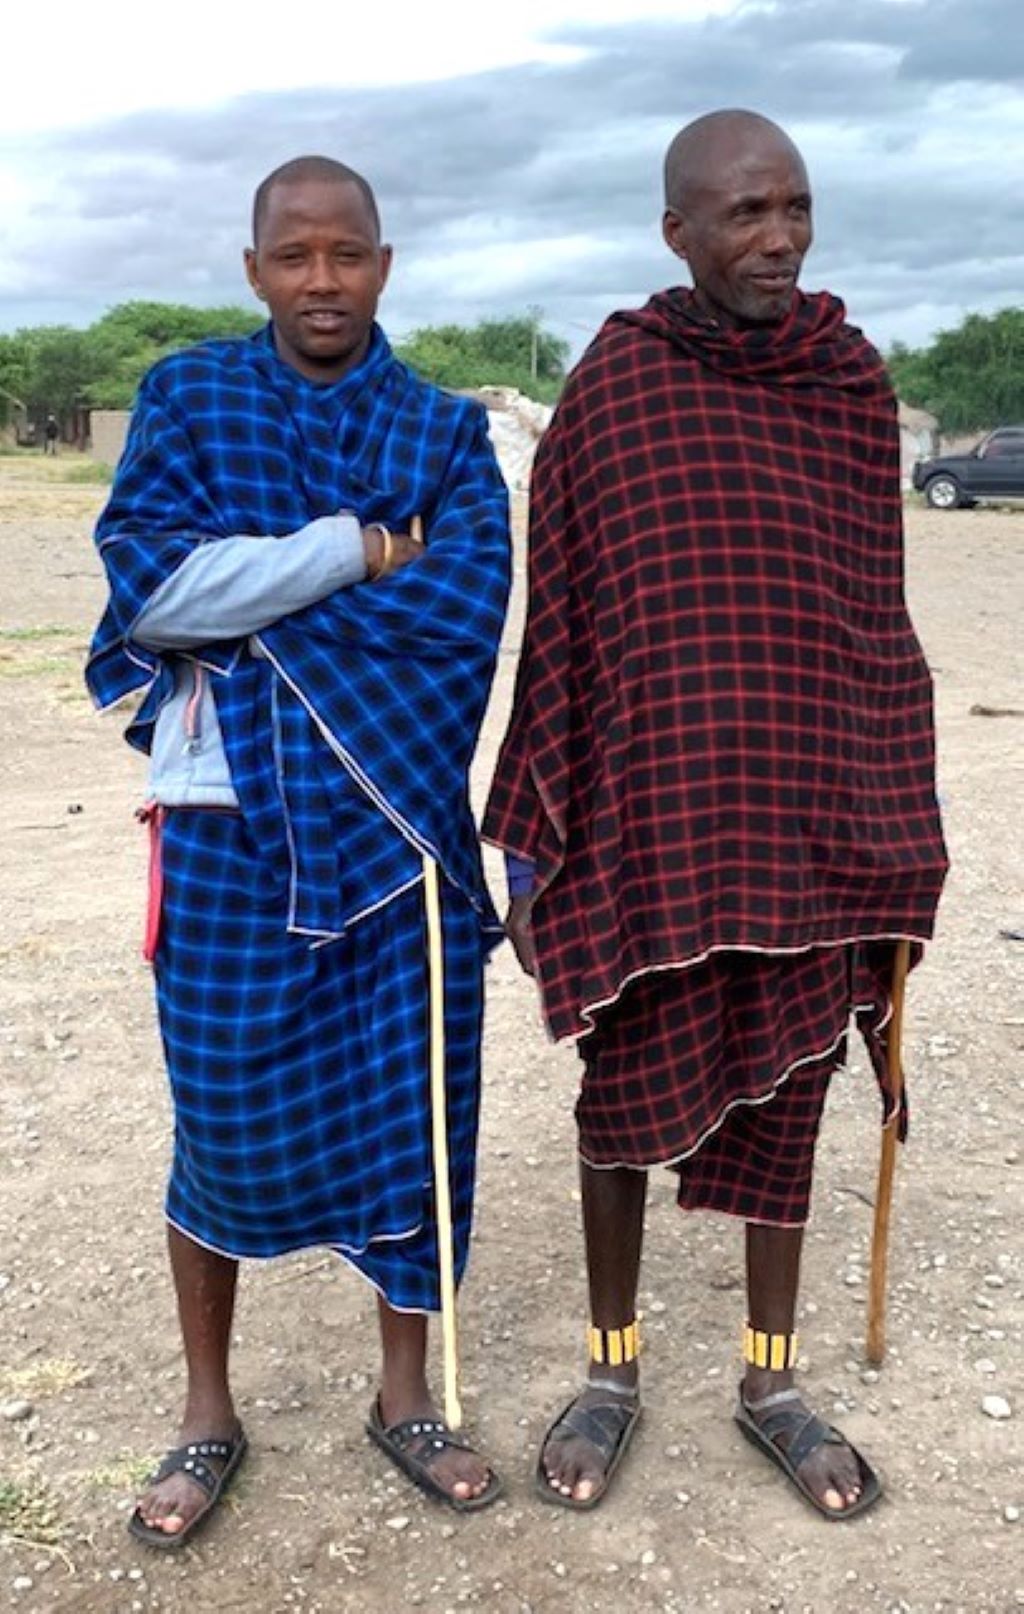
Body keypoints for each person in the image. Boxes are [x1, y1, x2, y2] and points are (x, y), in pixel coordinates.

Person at [484, 109, 948, 1518]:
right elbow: (562, 618)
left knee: (794, 1082)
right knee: (620, 1097)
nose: (779, 239)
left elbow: (873, 614)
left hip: (807, 814)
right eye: (745, 213)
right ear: (676, 230)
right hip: (655, 816)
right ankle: (612, 1367)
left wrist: (895, 798)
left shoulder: (849, 381)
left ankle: (771, 1379)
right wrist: (535, 829)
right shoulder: (620, 384)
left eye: (796, 208)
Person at [86, 155, 510, 1544]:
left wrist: (250, 592)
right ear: (256, 266)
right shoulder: (190, 397)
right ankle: (207, 1408)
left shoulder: (444, 431)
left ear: (385, 264)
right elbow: (155, 591)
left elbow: (453, 629)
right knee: (218, 1114)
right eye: (294, 256)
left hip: (400, 842)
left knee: (419, 1120)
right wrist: (348, 547)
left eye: (347, 254)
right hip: (221, 824)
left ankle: (406, 1397)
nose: (321, 280)